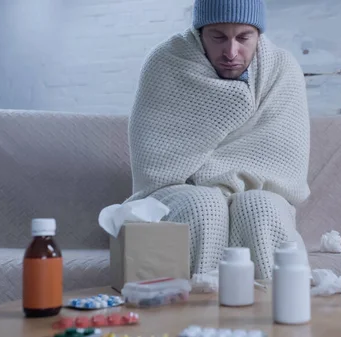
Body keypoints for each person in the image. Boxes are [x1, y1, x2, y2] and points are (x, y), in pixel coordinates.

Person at [127, 0, 311, 280]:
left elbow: (286, 158)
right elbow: (155, 158)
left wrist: (231, 183)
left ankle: (279, 310)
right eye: (218, 37)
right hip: (179, 189)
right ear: (199, 33)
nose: (231, 52)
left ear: (258, 35)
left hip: (260, 188)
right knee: (203, 205)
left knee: (262, 207)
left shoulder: (282, 70)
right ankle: (196, 310)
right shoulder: (166, 62)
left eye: (243, 37)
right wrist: (218, 187)